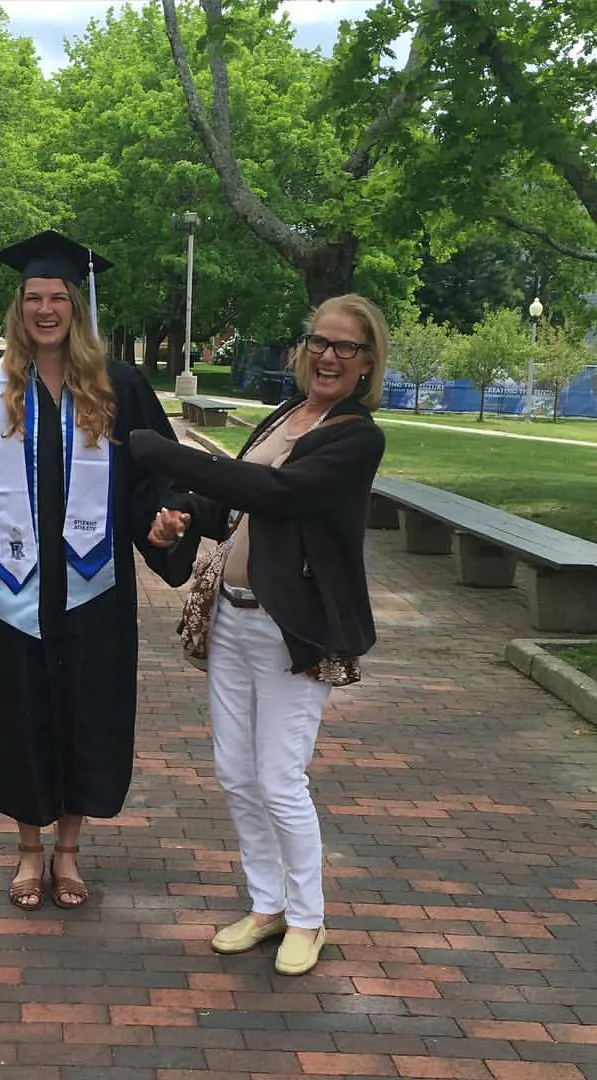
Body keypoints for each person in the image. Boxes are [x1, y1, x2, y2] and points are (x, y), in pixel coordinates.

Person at [0, 230, 192, 911]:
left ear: (76, 305)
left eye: (58, 297)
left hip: (94, 589)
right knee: (21, 715)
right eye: (34, 297)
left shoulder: (118, 386)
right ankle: (27, 850)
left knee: (86, 713)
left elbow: (156, 477)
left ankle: (68, 852)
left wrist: (163, 519)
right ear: (20, 307)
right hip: (17, 589)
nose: (46, 309)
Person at [130, 293, 387, 975]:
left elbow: (276, 495)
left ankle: (308, 918)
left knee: (278, 778)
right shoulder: (285, 414)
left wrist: (168, 454)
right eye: (318, 342)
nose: (328, 356)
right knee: (235, 775)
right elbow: (231, 504)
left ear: (366, 363)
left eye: (345, 347)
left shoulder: (355, 435)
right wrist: (179, 513)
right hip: (233, 617)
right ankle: (266, 905)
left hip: (289, 627)